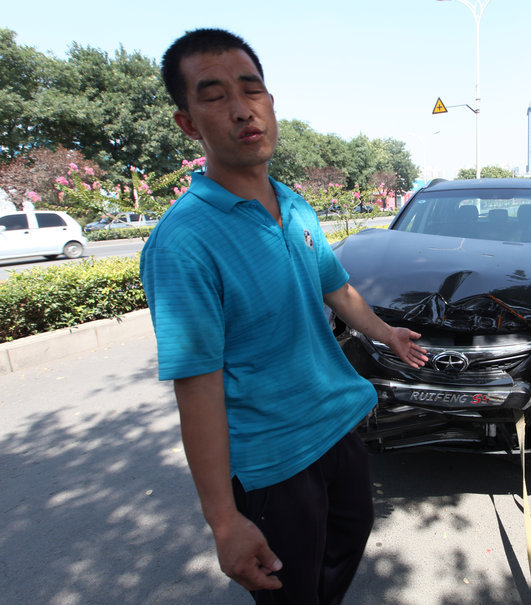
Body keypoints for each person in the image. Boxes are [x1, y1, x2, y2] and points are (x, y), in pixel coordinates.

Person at [141, 28, 428, 604]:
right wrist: (224, 521)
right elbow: (197, 388)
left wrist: (386, 332)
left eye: (252, 88)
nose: (242, 108)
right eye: (214, 94)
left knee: (345, 546)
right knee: (292, 592)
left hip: (336, 425)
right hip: (274, 461)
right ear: (189, 123)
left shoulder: (292, 202)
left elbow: (336, 289)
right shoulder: (183, 244)